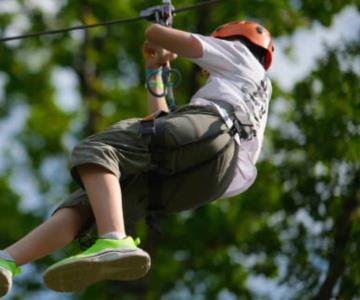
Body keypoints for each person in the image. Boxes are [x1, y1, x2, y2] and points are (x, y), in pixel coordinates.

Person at [0, 20, 274, 295]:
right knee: (91, 204)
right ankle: (7, 260)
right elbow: (161, 124)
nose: (204, 72)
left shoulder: (237, 53)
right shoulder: (249, 90)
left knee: (98, 149)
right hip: (213, 178)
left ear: (229, 39)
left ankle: (113, 239)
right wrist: (155, 68)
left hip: (214, 130)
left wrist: (160, 39)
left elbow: (155, 33)